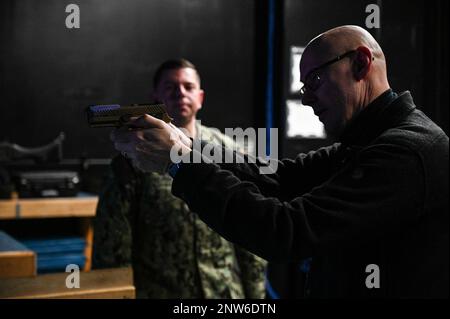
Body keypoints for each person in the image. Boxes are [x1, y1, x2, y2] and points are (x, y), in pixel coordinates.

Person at [110, 26, 449, 298]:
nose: (305, 97)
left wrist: (180, 161)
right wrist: (187, 145)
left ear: (360, 64)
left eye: (314, 80)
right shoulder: (364, 142)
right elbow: (279, 177)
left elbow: (285, 231)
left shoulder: (405, 152)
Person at [92, 59, 266, 299]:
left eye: (188, 87)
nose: (180, 93)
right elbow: (112, 245)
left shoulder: (228, 153)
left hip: (224, 293)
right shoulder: (135, 158)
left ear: (200, 97)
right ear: (155, 96)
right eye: (171, 87)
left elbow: (251, 231)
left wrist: (256, 297)